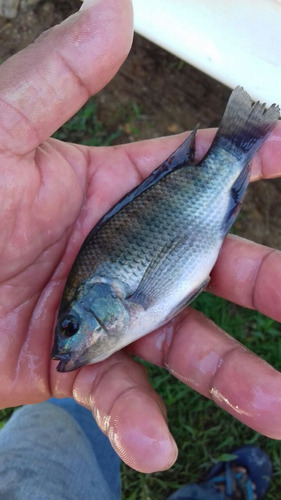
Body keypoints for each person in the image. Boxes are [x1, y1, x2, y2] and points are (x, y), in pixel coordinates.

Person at [0, 0, 280, 495]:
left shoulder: (129, 303)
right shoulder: (124, 307)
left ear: (101, 296)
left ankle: (241, 138)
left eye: (70, 327)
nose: (67, 344)